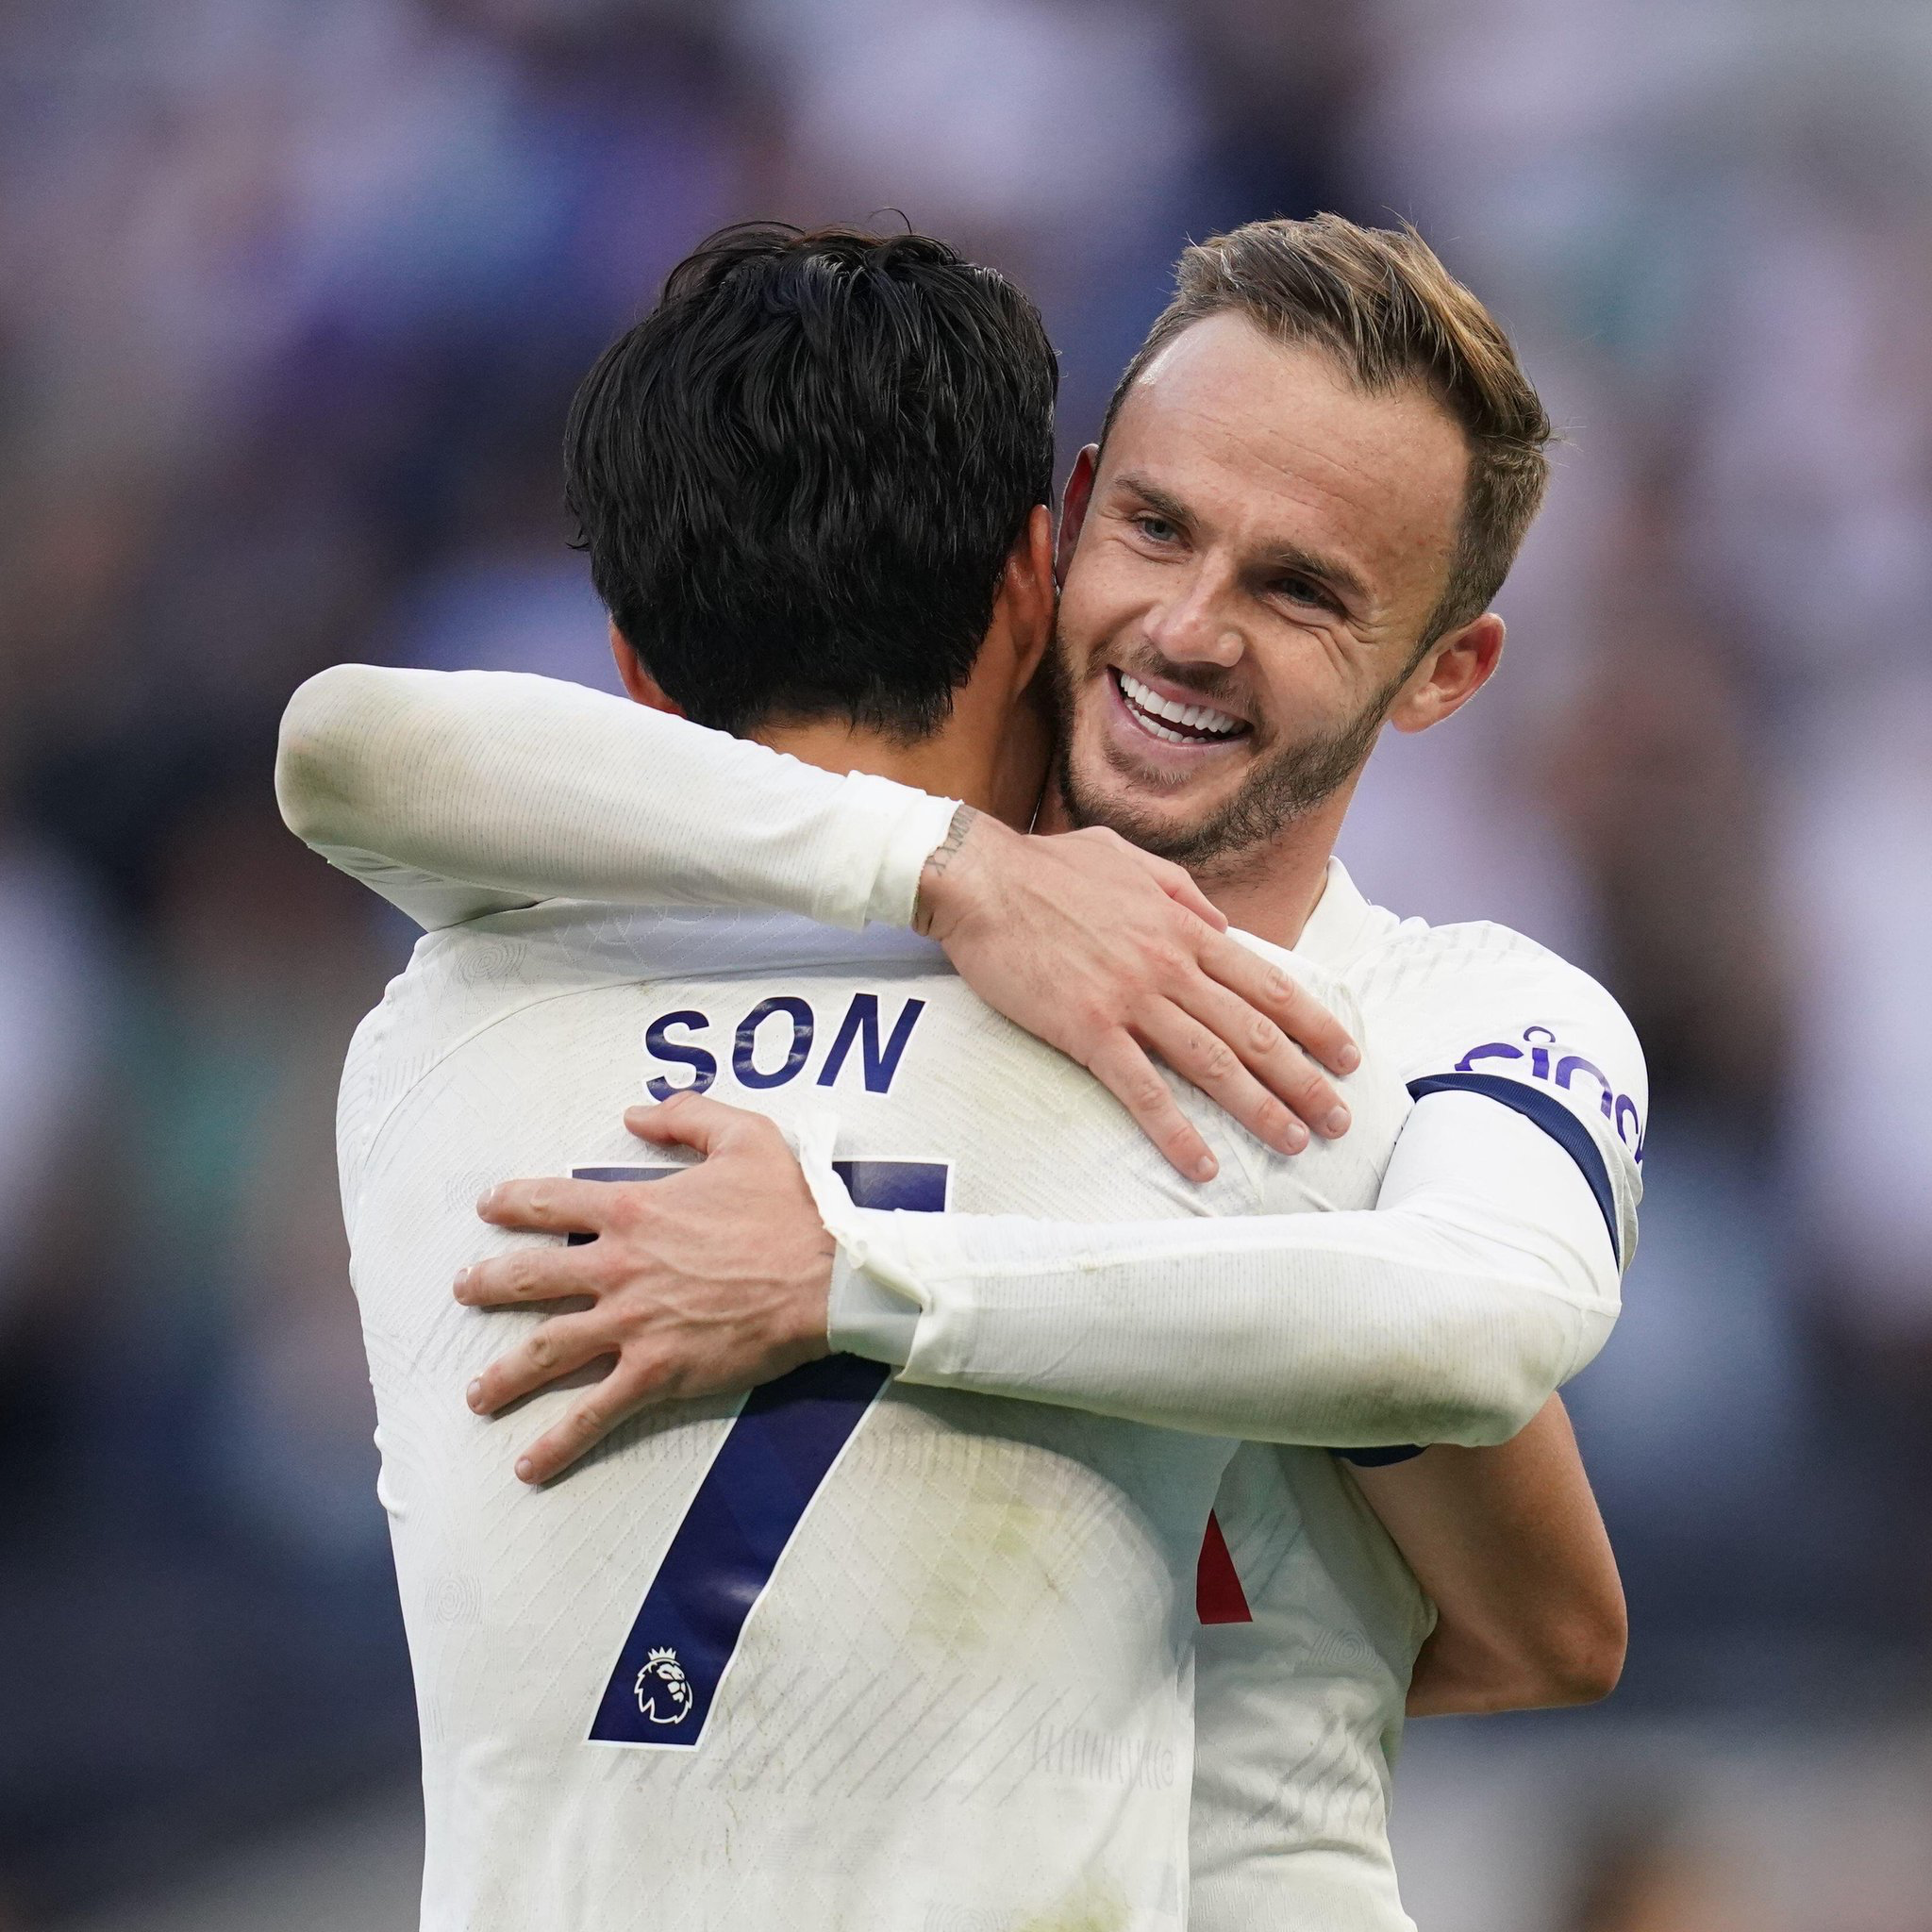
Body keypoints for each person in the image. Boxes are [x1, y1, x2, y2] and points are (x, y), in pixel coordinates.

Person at [282, 220, 1632, 1930]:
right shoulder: (1278, 1103)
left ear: (1447, 669)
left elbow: (1550, 1591)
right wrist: (954, 869)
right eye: (1155, 528)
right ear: (1053, 537)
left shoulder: (1389, 1042)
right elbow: (1543, 1621)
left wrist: (850, 1273)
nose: (1194, 626)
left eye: (1301, 589)